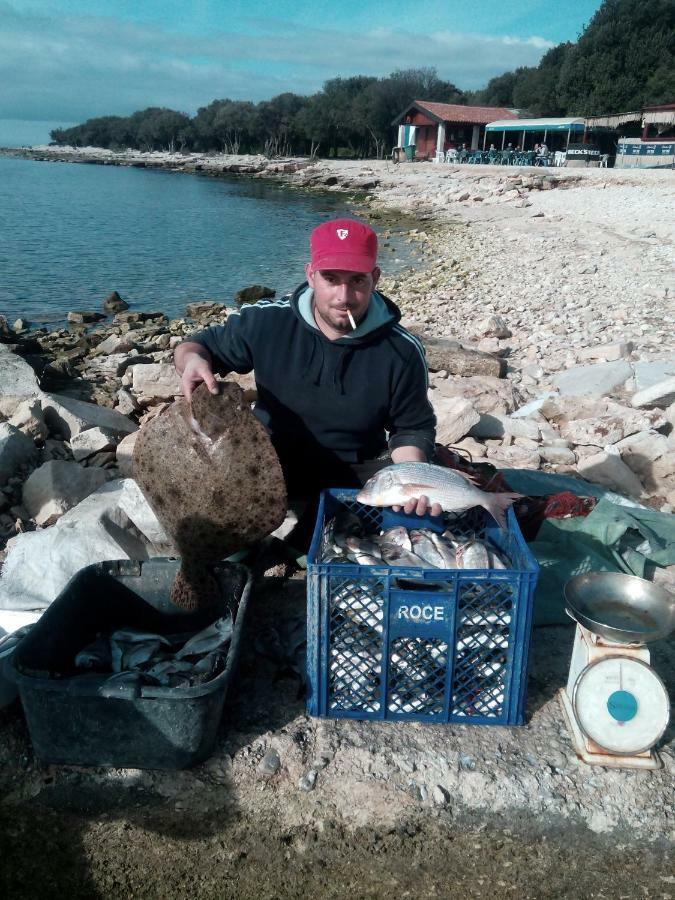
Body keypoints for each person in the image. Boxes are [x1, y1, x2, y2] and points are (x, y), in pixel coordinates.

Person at [174, 218, 441, 541]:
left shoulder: (402, 351)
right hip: (269, 458)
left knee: (417, 524)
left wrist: (410, 480)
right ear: (310, 275)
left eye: (357, 280)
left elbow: (411, 427)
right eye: (331, 279)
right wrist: (192, 361)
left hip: (356, 469)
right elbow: (197, 346)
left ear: (375, 278)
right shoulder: (268, 321)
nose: (344, 297)